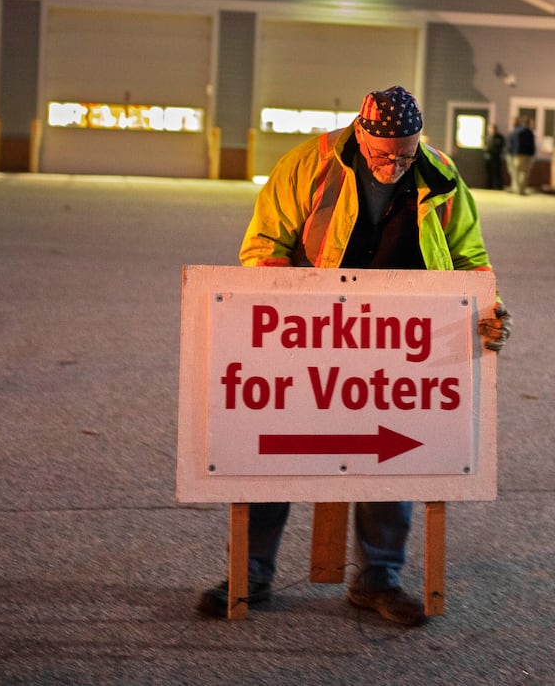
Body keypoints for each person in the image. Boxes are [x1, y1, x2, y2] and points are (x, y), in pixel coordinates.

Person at [196, 85, 512, 627]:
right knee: (274, 448)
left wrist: (491, 309)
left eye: (407, 153)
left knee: (394, 454)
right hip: (310, 332)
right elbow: (264, 245)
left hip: (396, 338)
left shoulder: (440, 174)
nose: (395, 164)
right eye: (384, 152)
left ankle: (378, 578)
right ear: (360, 133)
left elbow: (469, 256)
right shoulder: (308, 164)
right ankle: (249, 574)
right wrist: (284, 312)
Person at [509, 116, 537, 195]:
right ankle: (521, 189)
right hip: (525, 155)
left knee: (517, 172)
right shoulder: (529, 132)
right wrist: (531, 153)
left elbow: (513, 144)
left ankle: (518, 189)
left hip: (517, 154)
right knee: (524, 172)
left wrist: (513, 153)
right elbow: (531, 145)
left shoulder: (517, 131)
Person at [484, 124, 506, 190]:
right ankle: (489, 186)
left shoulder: (499, 137)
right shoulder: (487, 137)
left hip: (496, 157)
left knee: (497, 173)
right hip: (489, 157)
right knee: (489, 173)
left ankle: (498, 186)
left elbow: (502, 146)